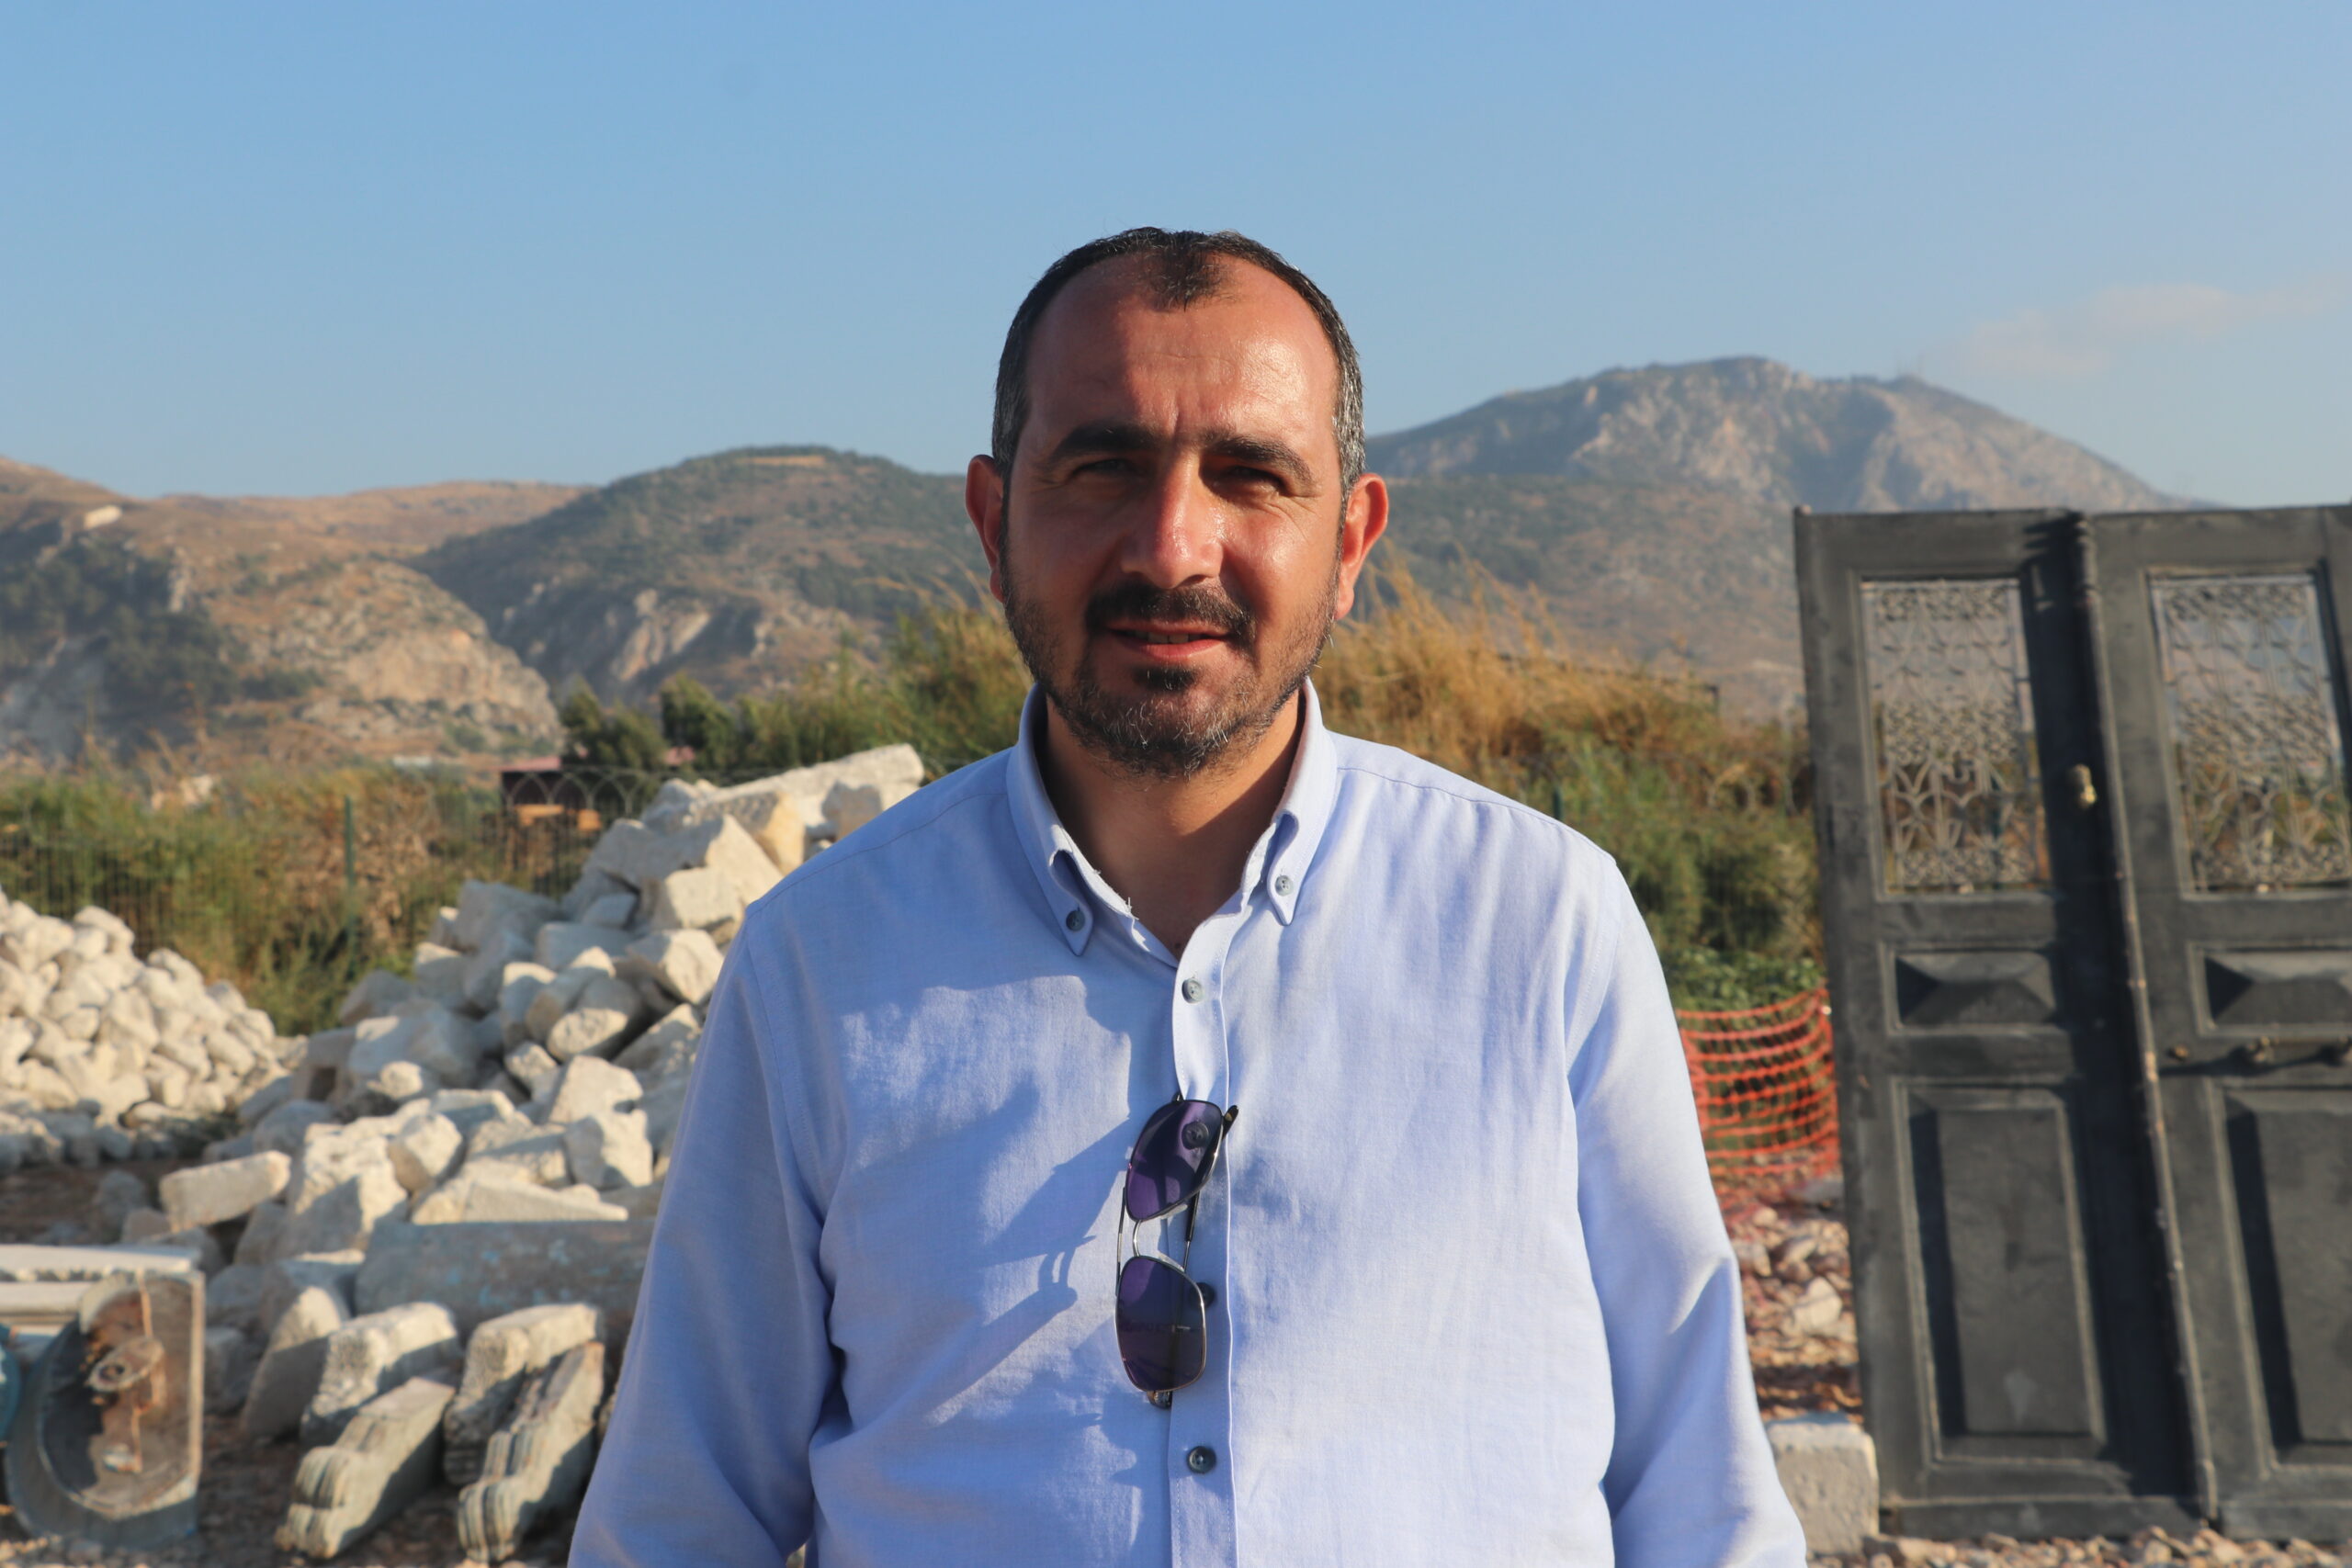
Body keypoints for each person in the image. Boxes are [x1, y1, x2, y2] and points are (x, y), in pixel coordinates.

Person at [571, 228, 1804, 1567]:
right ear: (992, 522)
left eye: (1251, 475)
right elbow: (679, 1520)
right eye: (1102, 468)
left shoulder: (1541, 925)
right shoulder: (821, 962)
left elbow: (1701, 1501)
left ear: (1351, 538)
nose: (1171, 547)